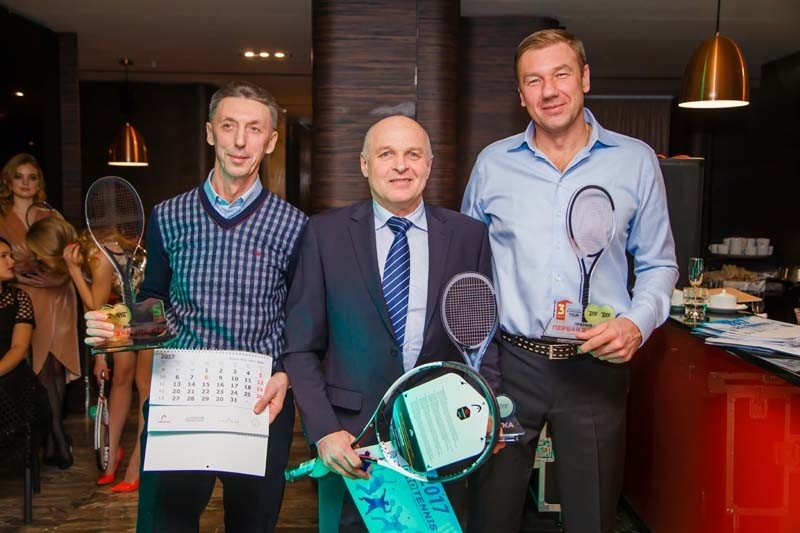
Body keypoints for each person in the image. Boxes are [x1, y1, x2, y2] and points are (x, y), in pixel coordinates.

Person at [461, 29, 678, 533]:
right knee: (490, 514)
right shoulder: (492, 164)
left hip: (595, 367)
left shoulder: (635, 161)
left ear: (584, 79)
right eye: (533, 80)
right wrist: (473, 365)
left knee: (592, 518)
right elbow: (468, 271)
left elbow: (659, 263)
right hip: (509, 366)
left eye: (561, 74)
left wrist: (636, 323)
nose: (549, 90)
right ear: (521, 95)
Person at [84, 81, 307, 532]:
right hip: (181, 398)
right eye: (228, 126)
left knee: (251, 525)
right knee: (167, 523)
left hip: (260, 401)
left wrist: (286, 374)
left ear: (270, 141)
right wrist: (119, 326)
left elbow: (301, 319)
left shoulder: (295, 225)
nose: (240, 141)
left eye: (254, 129)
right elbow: (157, 302)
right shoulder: (168, 215)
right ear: (210, 133)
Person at [282, 115, 501, 532]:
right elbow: (300, 346)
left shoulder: (468, 235)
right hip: (351, 442)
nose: (401, 165)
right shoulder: (324, 234)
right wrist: (324, 431)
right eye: (386, 154)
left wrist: (486, 406)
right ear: (365, 165)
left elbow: (483, 337)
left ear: (429, 164)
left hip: (442, 437)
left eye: (413, 154)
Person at [26, 216, 148, 492]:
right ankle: (110, 456)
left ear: (50, 250)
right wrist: (99, 355)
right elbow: (93, 308)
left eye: (38, 255)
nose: (38, 261)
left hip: (148, 307)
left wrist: (73, 271)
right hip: (119, 310)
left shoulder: (96, 254)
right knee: (120, 379)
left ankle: (137, 465)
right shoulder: (81, 256)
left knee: (144, 385)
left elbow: (94, 303)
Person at [0, 153, 79, 469]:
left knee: (55, 367)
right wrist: (22, 277)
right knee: (38, 367)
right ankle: (54, 436)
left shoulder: (49, 214)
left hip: (58, 296)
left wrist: (55, 276)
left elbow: (69, 258)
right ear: (8, 181)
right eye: (19, 176)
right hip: (25, 298)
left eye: (32, 177)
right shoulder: (2, 217)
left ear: (39, 182)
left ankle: (54, 436)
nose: (25, 183)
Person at [0, 235, 49, 465]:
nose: (11, 261)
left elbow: (19, 348)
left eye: (11, 255)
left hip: (11, 373)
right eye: (4, 256)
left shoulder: (19, 298)